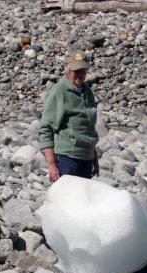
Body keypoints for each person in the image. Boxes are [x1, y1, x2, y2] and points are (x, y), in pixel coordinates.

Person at [39, 50, 99, 182]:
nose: (80, 75)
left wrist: (94, 157)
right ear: (67, 69)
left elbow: (88, 127)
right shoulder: (58, 92)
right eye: (76, 71)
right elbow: (46, 128)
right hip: (67, 159)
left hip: (86, 158)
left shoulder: (87, 91)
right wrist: (52, 164)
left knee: (84, 201)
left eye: (83, 71)